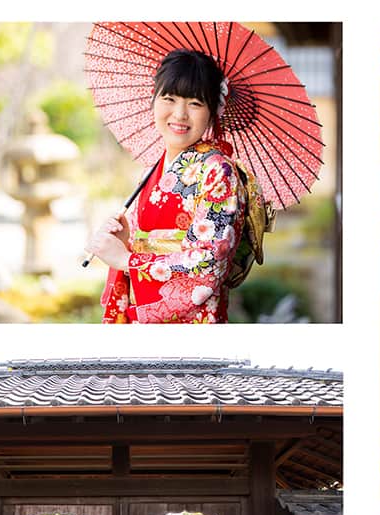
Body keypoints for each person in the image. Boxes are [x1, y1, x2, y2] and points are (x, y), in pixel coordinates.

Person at [84, 48, 266, 323]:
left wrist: (127, 261)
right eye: (169, 98)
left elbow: (210, 262)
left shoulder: (218, 171)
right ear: (153, 100)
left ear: (213, 111)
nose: (179, 114)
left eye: (195, 103)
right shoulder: (152, 169)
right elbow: (145, 244)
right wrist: (127, 241)